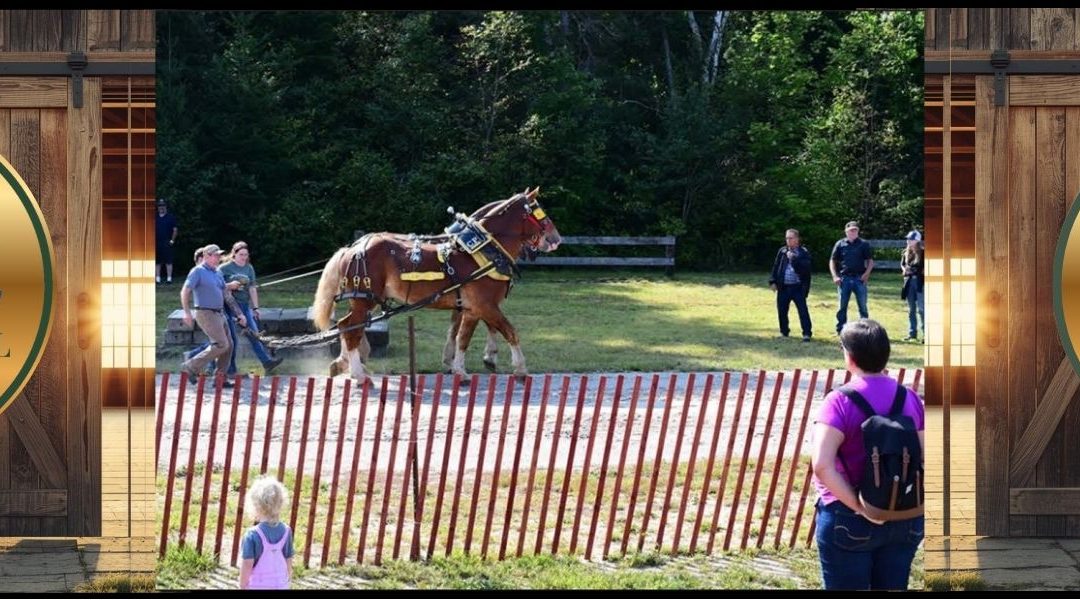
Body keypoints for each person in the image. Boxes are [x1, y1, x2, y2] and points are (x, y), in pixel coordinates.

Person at [811, 319, 925, 590]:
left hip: (848, 519)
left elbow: (822, 465)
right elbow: (925, 458)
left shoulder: (838, 401)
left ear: (849, 357)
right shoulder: (909, 398)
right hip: (904, 514)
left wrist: (861, 507)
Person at [180, 243, 246, 386]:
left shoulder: (217, 272)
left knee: (230, 346)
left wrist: (240, 314)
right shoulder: (197, 271)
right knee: (222, 344)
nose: (218, 258)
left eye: (219, 255)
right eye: (216, 255)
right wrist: (186, 313)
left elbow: (226, 294)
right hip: (205, 313)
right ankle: (190, 366)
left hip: (219, 313)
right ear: (206, 256)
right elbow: (185, 291)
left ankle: (220, 379)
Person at [220, 241, 283, 375]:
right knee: (231, 339)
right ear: (234, 254)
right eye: (241, 254)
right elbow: (217, 285)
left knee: (254, 335)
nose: (244, 257)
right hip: (229, 306)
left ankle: (266, 363)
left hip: (244, 306)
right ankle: (227, 368)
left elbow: (252, 288)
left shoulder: (249, 268)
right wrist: (230, 285)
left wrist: (255, 308)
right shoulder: (224, 268)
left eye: (246, 255)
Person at [239, 475, 293, 590]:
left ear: (255, 506)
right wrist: (287, 582)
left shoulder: (252, 535)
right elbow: (288, 559)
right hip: (280, 585)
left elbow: (247, 564)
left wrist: (242, 586)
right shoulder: (287, 531)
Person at [829, 221, 874, 335]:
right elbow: (832, 260)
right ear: (846, 232)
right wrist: (835, 276)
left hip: (860, 279)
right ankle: (841, 329)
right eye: (851, 230)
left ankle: (865, 329)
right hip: (844, 279)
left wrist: (866, 274)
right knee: (842, 306)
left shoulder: (864, 244)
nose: (853, 232)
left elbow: (870, 261)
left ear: (858, 231)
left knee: (863, 306)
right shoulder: (840, 244)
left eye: (855, 230)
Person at [769, 228, 813, 341]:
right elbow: (776, 267)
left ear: (797, 239)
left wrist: (794, 259)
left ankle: (807, 333)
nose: (788, 240)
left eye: (791, 238)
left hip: (798, 287)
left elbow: (805, 270)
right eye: (787, 238)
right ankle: (784, 332)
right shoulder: (782, 251)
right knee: (782, 310)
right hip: (783, 286)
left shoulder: (804, 253)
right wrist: (773, 281)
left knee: (803, 311)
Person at [900, 230, 924, 342]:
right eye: (908, 239)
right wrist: (905, 270)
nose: (909, 241)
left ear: (917, 240)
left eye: (911, 239)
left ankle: (926, 333)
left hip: (920, 282)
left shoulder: (924, 253)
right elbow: (903, 265)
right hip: (909, 282)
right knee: (911, 309)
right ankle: (912, 333)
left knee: (922, 309)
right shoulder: (905, 252)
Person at [155, 199, 179, 284]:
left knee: (168, 261)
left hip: (167, 242)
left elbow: (175, 230)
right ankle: (157, 279)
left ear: (166, 207)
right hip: (156, 242)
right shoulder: (155, 217)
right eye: (159, 206)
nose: (161, 207)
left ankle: (169, 279)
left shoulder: (171, 217)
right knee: (157, 262)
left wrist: (172, 240)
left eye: (163, 206)